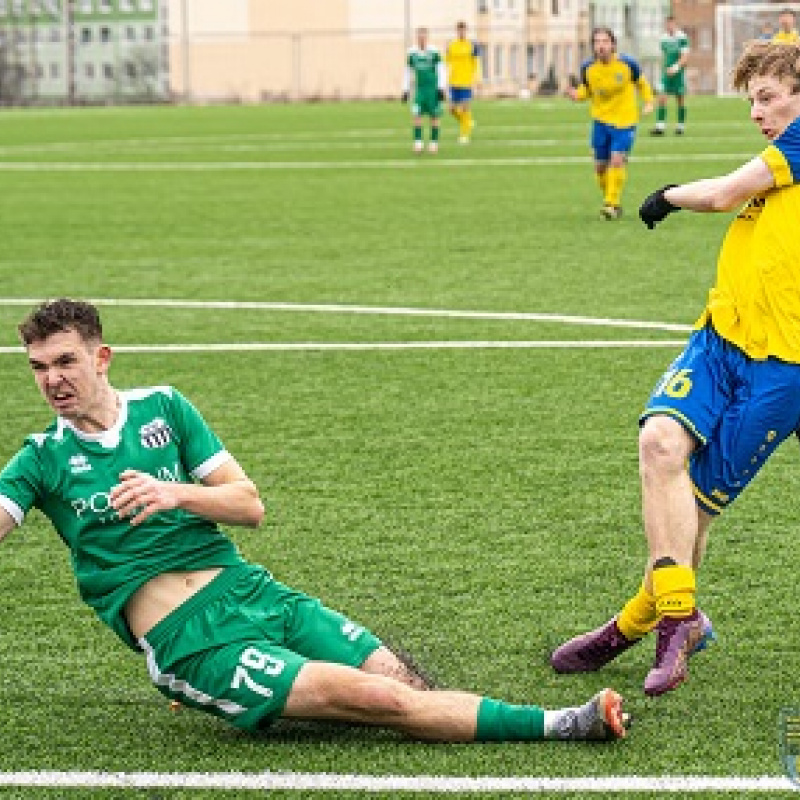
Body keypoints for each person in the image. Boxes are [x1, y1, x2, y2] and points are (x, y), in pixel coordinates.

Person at [0, 298, 630, 743]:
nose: (52, 379)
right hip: (191, 640)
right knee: (378, 700)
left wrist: (175, 494)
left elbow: (249, 506)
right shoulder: (42, 459)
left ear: (101, 356)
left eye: (65, 362)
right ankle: (565, 724)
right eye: (39, 367)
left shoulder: (165, 407)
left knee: (397, 676)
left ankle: (278, 689)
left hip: (250, 591)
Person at [551, 40, 800, 697]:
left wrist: (665, 194)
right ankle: (677, 620)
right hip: (719, 338)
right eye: (752, 100)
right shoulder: (783, 158)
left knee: (693, 507)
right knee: (659, 443)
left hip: (783, 370)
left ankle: (636, 625)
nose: (756, 112)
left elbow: (721, 195)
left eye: (768, 98)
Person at [566, 27, 654, 220]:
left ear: (613, 44)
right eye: (597, 42)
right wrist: (575, 95)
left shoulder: (627, 64)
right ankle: (611, 198)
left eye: (605, 41)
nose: (601, 46)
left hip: (625, 121)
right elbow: (586, 91)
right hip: (600, 122)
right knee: (599, 167)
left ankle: (611, 204)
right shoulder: (588, 68)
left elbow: (642, 83)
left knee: (617, 159)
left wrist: (648, 102)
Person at [402, 26, 447, 154]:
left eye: (424, 36)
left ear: (427, 37)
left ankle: (433, 143)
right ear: (417, 38)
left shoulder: (433, 52)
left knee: (434, 116)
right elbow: (407, 71)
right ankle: (418, 143)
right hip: (420, 89)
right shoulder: (412, 53)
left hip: (432, 89)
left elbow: (441, 69)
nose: (422, 39)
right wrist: (405, 89)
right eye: (419, 36)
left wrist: (441, 88)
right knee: (416, 114)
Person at [650, 16, 690, 136]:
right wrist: (663, 71)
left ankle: (680, 126)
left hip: (678, 73)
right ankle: (660, 127)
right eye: (667, 24)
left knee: (680, 99)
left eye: (671, 24)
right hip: (666, 74)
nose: (669, 26)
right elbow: (664, 56)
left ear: (675, 24)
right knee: (661, 98)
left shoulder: (682, 37)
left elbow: (685, 57)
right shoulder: (663, 38)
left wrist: (675, 68)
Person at [445, 21, 481, 144]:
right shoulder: (451, 45)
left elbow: (476, 63)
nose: (461, 32)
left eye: (463, 30)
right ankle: (467, 122)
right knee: (451, 110)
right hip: (453, 81)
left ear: (466, 31)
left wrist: (477, 78)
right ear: (457, 31)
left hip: (466, 81)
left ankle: (464, 135)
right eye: (459, 30)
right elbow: (446, 62)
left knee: (465, 108)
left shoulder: (472, 45)